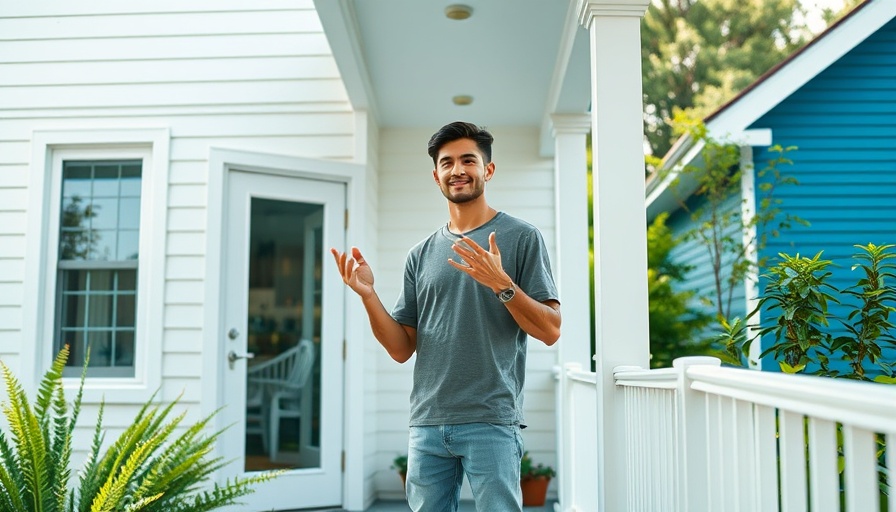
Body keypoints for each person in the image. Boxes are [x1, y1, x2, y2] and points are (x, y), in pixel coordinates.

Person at [331, 121, 561, 511]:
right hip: (427, 422)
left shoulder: (522, 237)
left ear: (488, 169)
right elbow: (401, 349)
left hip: (491, 420)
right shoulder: (420, 254)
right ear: (436, 175)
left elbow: (551, 330)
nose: (458, 170)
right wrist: (368, 297)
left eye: (468, 160)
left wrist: (502, 284)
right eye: (447, 162)